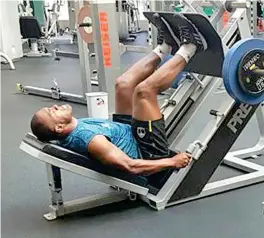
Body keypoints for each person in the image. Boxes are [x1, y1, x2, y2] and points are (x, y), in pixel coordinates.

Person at [29, 14, 206, 176]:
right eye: (52, 112)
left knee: (123, 84)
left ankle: (165, 46)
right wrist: (172, 161)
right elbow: (130, 166)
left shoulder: (73, 129)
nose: (54, 106)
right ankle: (191, 46)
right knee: (144, 92)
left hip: (124, 132)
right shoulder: (90, 140)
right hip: (147, 151)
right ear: (59, 128)